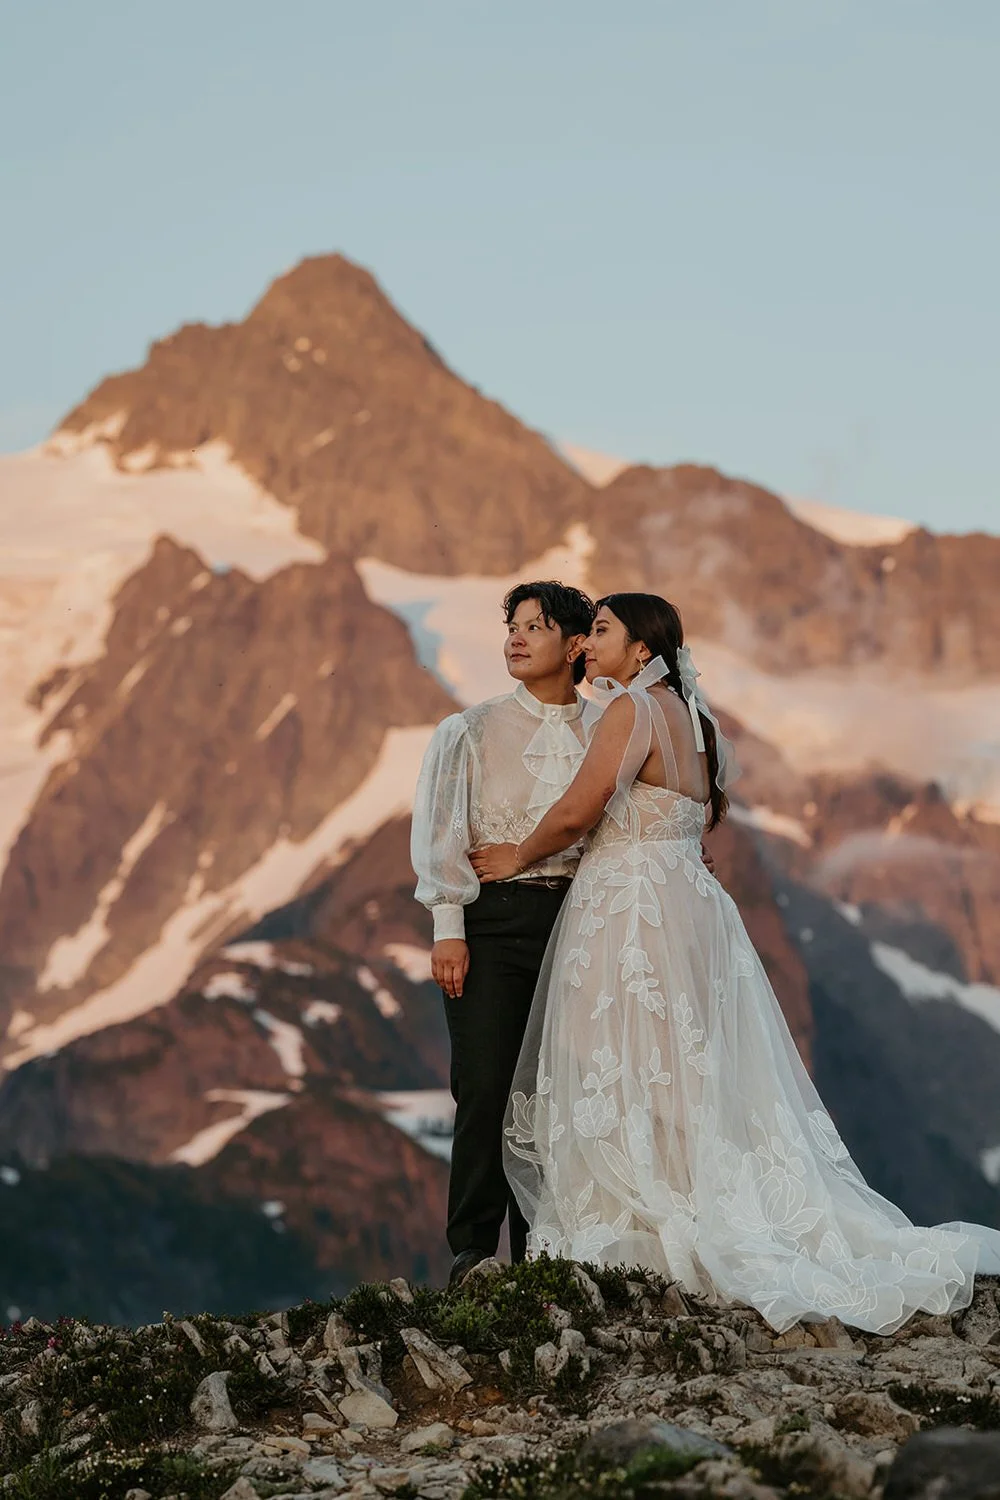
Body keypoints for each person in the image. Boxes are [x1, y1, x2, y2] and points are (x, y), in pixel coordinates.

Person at [472, 592, 1000, 1334]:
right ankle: (691, 1192)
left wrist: (514, 855)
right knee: (684, 1065)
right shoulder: (694, 720)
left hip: (629, 908)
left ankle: (645, 1212)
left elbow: (576, 811)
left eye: (601, 632)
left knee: (617, 1054)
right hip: (689, 903)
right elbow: (699, 817)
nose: (588, 644)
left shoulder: (630, 712)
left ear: (642, 649)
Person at [411, 580, 598, 1285]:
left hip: (577, 924)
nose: (515, 639)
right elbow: (443, 834)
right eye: (511, 626)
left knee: (555, 1093)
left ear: (576, 645)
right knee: (485, 1083)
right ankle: (470, 1252)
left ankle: (542, 1250)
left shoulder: (606, 728)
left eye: (535, 626)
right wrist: (448, 925)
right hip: (489, 924)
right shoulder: (471, 730)